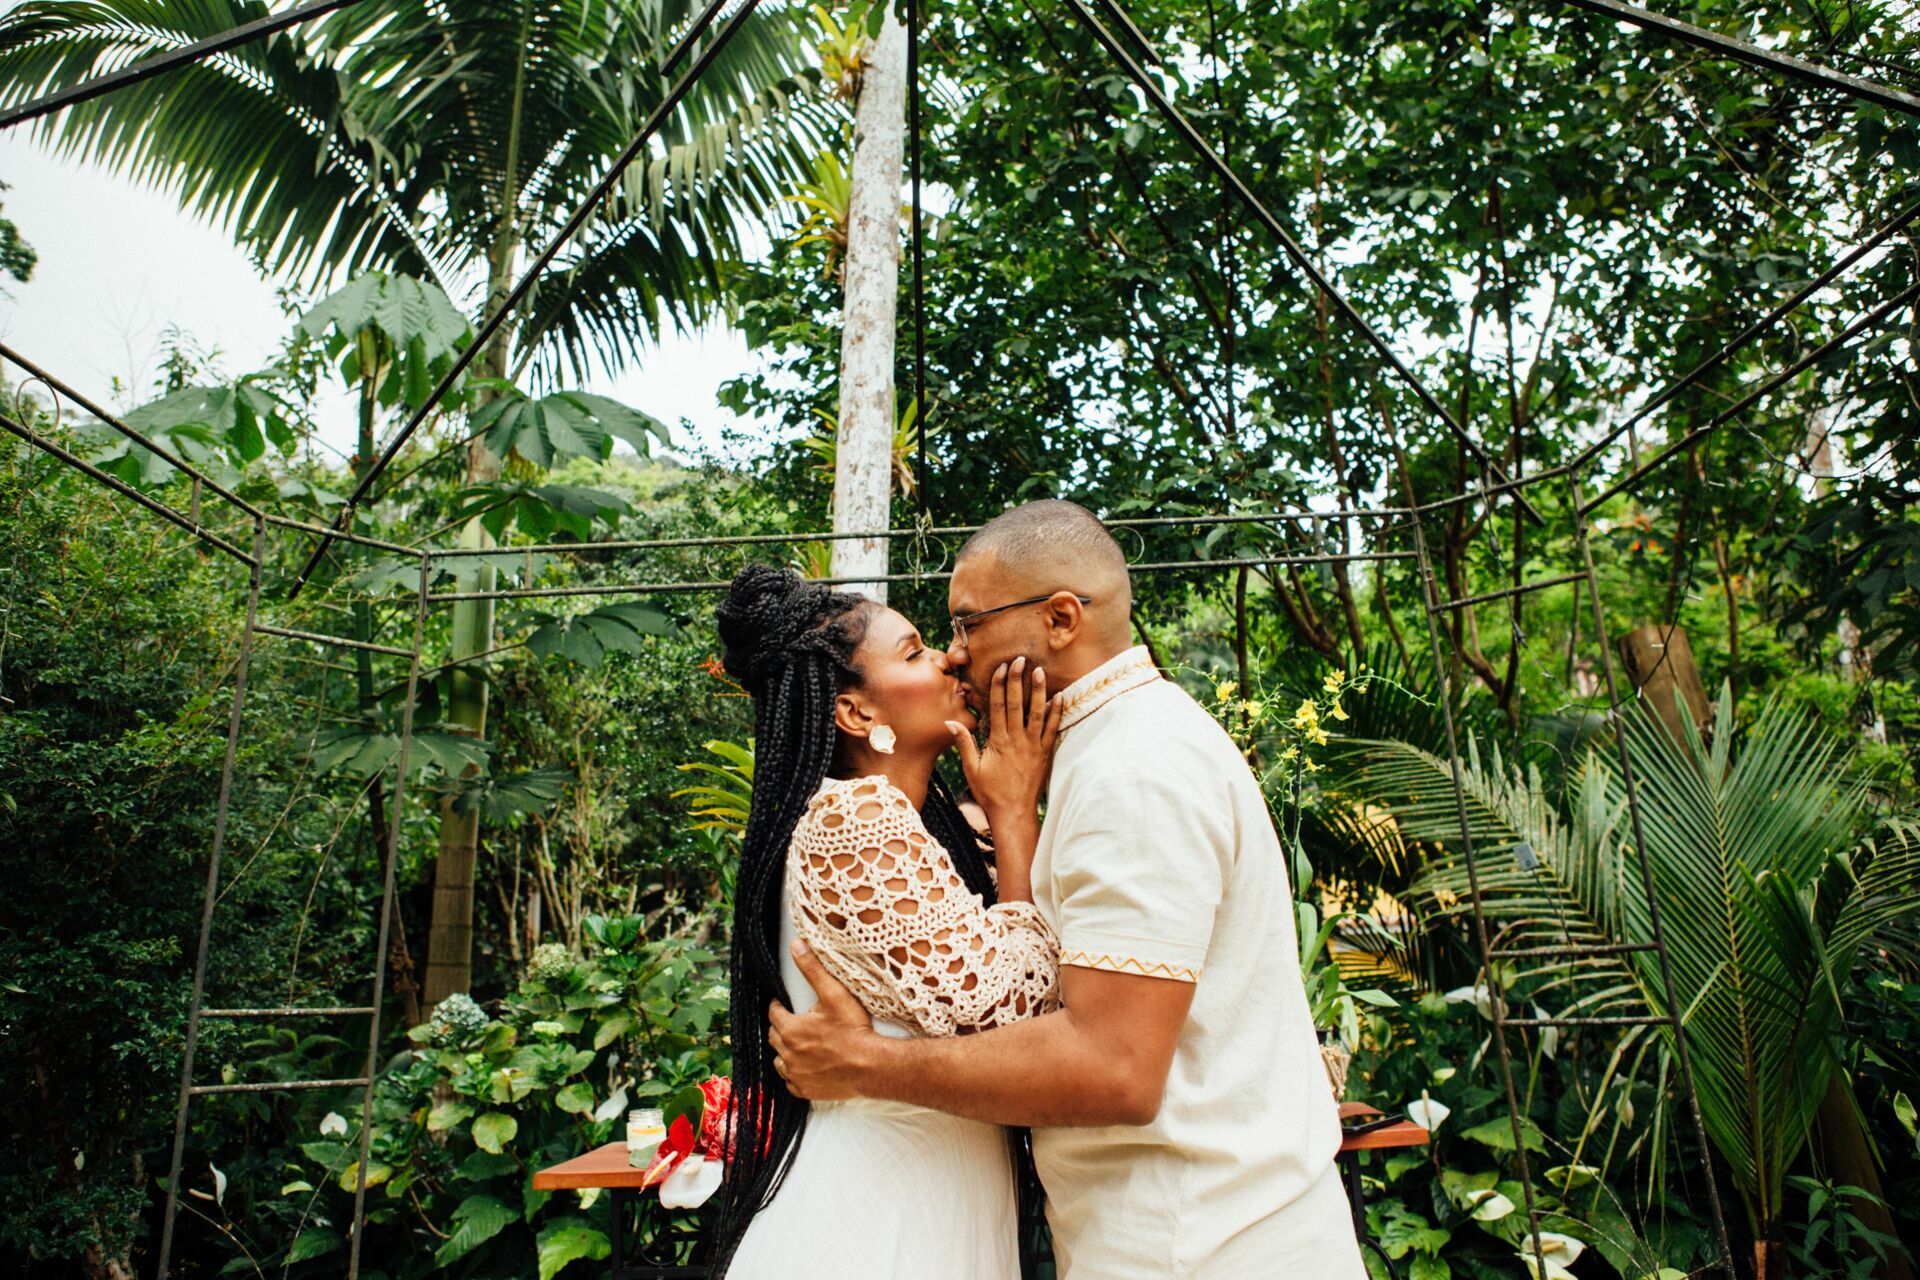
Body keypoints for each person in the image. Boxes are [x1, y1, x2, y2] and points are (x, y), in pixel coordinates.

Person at [769, 500, 1367, 1280]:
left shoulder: (1134, 769)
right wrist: (1015, 815)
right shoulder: (1108, 752)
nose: (956, 654)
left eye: (966, 624)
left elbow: (1113, 1066)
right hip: (1167, 1231)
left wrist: (865, 1064)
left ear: (1058, 619)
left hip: (1207, 1243)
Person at [706, 564, 1065, 1278]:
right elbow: (1011, 1012)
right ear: (856, 713)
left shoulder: (893, 828)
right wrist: (1014, 814)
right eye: (914, 652)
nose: (948, 660)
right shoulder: (855, 820)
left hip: (914, 1198)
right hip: (881, 1222)